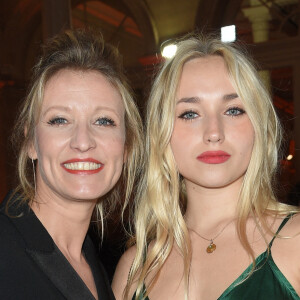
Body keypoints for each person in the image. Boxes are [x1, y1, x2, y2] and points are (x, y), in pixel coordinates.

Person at [112, 35, 300, 300]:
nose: (214, 133)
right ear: (162, 133)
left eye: (233, 110)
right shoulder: (134, 271)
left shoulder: (295, 240)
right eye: (190, 114)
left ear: (259, 126)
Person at [0, 28, 143, 300]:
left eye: (103, 121)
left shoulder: (95, 267)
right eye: (59, 120)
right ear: (31, 142)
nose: (83, 141)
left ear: (126, 147)